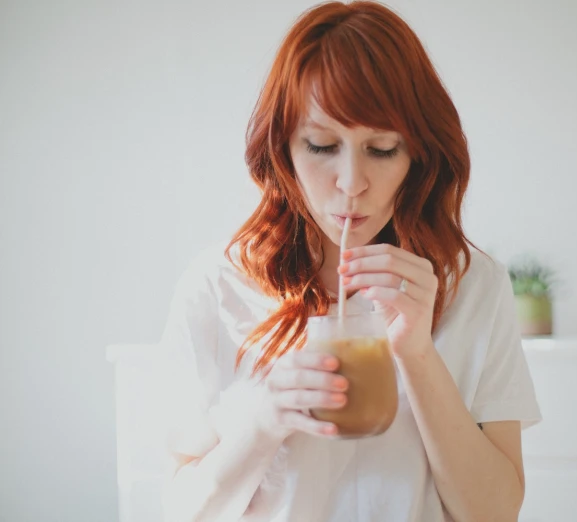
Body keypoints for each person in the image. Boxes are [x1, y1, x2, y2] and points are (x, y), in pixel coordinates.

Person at [159, 2, 541, 521]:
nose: (351, 182)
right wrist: (265, 418)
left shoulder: (471, 285)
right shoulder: (218, 286)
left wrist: (419, 355)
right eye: (320, 145)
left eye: (382, 149)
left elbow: (495, 513)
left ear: (418, 156)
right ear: (283, 150)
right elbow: (181, 511)